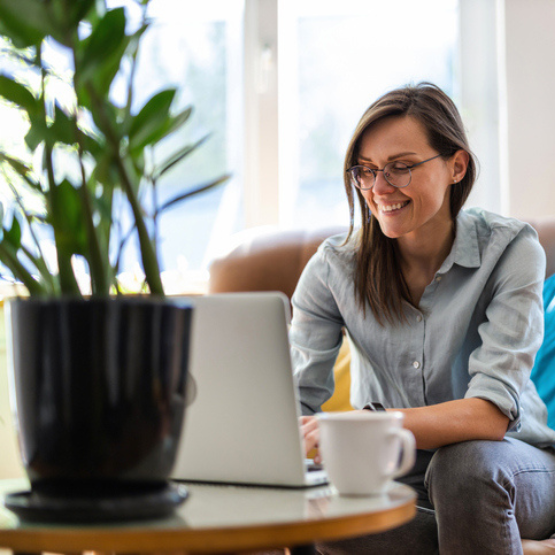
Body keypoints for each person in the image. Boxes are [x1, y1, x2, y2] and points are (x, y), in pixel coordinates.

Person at [290, 82, 555, 554]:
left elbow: (490, 415)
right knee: (324, 514)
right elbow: (293, 402)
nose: (379, 189)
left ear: (457, 165)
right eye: (366, 171)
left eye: (401, 168)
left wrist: (371, 425)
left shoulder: (512, 250)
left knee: (463, 468)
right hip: (391, 477)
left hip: (513, 465)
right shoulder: (333, 269)